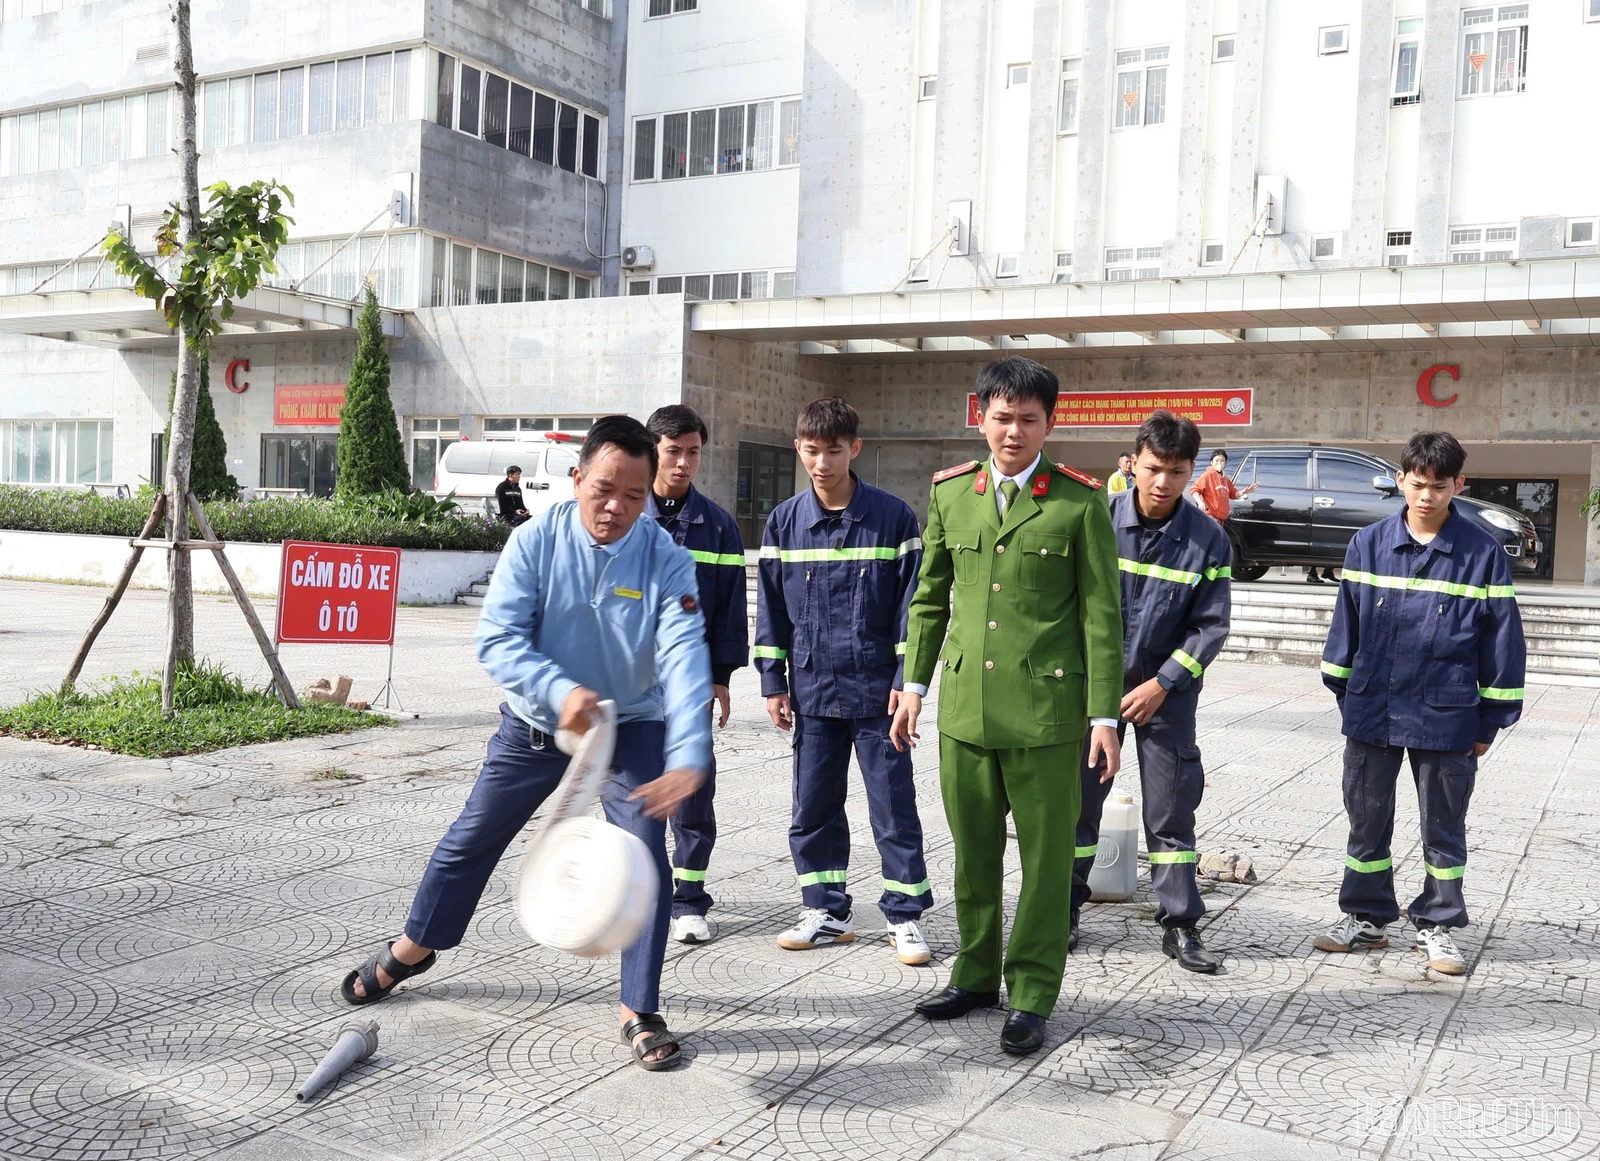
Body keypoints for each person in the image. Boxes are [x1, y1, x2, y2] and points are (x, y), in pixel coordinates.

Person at [339, 416, 712, 1071]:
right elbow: (499, 638)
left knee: (644, 854)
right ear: (576, 480)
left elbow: (683, 656)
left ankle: (638, 1006)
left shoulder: (665, 558)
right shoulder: (535, 542)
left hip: (632, 729)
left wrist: (688, 753)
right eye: (603, 489)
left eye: (634, 494)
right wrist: (558, 688)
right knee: (472, 834)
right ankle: (416, 945)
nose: (617, 507)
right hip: (538, 725)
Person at [892, 355, 1123, 1056]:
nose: (1013, 430)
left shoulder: (1079, 502)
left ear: (1049, 422)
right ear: (981, 416)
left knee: (1048, 862)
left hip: (1047, 715)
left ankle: (1030, 992)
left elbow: (1101, 617)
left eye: (1028, 418)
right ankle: (973, 975)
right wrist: (914, 681)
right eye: (1001, 416)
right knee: (973, 855)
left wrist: (1104, 715)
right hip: (965, 709)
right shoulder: (950, 494)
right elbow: (930, 597)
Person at [1314, 431, 1525, 977]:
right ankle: (1366, 916)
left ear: (1459, 484)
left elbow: (1502, 639)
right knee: (1366, 819)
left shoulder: (1480, 554)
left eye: (1439, 486)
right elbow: (1347, 628)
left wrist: (1493, 718)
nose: (1426, 496)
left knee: (1444, 824)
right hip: (1373, 711)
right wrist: (1345, 691)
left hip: (1448, 714)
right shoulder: (1368, 544)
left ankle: (1441, 924)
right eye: (1417, 484)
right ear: (1400, 480)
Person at [755, 397, 934, 967]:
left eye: (834, 450)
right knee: (812, 807)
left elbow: (915, 610)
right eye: (811, 451)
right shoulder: (784, 522)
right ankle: (825, 910)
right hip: (811, 692)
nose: (822, 463)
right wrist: (771, 680)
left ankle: (904, 918)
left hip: (879, 697)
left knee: (893, 806)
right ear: (798, 449)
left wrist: (909, 682)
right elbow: (771, 611)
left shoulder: (893, 518)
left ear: (855, 448)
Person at [1071, 411, 1232, 973]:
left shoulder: (1208, 539)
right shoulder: (1096, 517)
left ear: (1192, 471)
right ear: (1133, 463)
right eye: (1154, 468)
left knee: (1171, 808)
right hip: (1096, 689)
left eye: (1177, 471)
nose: (1163, 482)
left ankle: (1181, 922)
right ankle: (1063, 910)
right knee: (1079, 802)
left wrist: (1162, 684)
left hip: (1168, 693)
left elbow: (1210, 626)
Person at [645, 404, 748, 946]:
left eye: (693, 452)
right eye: (673, 451)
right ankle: (642, 895)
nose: (684, 463)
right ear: (652, 450)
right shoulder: (626, 515)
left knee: (690, 791)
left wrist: (722, 675)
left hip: (689, 683)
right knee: (634, 788)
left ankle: (688, 900)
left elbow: (730, 608)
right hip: (630, 684)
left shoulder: (718, 525)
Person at [1188, 449, 1255, 523]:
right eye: (1216, 460)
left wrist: (1243, 492)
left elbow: (1233, 494)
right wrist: (1200, 502)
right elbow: (1194, 489)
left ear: (1225, 463)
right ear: (1211, 462)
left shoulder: (1226, 480)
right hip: (1210, 518)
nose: (1219, 463)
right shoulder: (1207, 475)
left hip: (1221, 520)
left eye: (1222, 461)